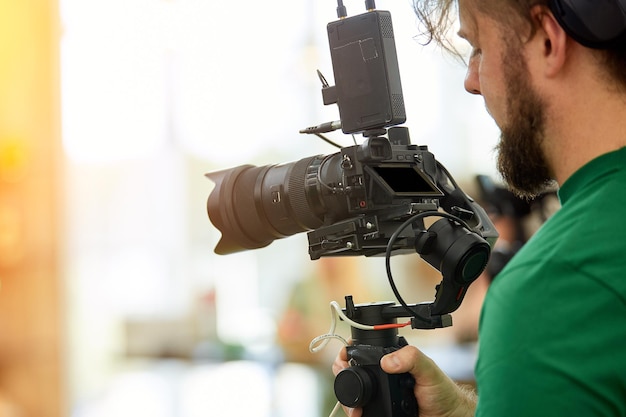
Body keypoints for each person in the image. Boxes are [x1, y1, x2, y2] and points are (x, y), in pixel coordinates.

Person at [333, 0, 626, 415]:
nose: (471, 82)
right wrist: (460, 411)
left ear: (547, 40)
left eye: (479, 48)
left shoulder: (551, 291)